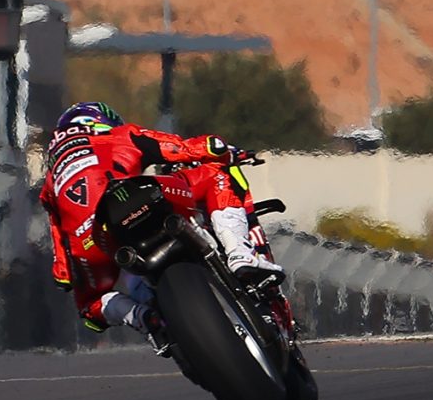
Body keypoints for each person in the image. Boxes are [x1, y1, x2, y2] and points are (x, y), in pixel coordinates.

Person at [37, 101, 281, 334]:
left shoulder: (50, 182)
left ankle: (143, 318)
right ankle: (240, 253)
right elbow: (187, 149)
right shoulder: (120, 134)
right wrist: (222, 150)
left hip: (92, 239)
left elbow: (62, 269)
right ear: (102, 121)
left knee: (90, 307)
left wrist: (68, 277)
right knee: (215, 174)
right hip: (135, 197)